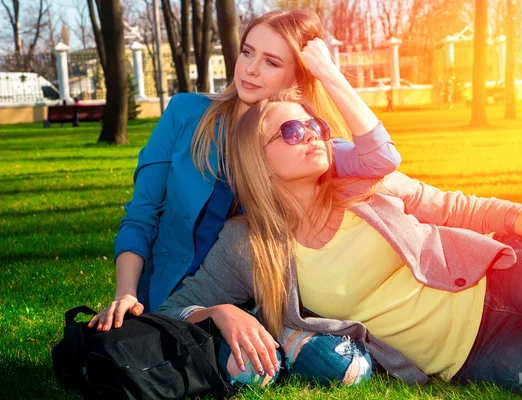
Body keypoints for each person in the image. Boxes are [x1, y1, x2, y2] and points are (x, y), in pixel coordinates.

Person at [157, 89, 522, 398]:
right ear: (259, 160)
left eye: (315, 125)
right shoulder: (250, 244)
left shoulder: (367, 185)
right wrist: (220, 311)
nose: (312, 134)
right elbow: (171, 310)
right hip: (474, 354)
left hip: (504, 275)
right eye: (292, 131)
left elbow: (467, 209)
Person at [88, 9, 401, 332]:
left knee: (323, 361)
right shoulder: (185, 113)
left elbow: (381, 159)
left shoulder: (302, 139)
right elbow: (142, 213)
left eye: (271, 61)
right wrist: (125, 293)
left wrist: (330, 76)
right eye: (247, 52)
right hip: (170, 296)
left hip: (257, 307)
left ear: (297, 75)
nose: (250, 70)